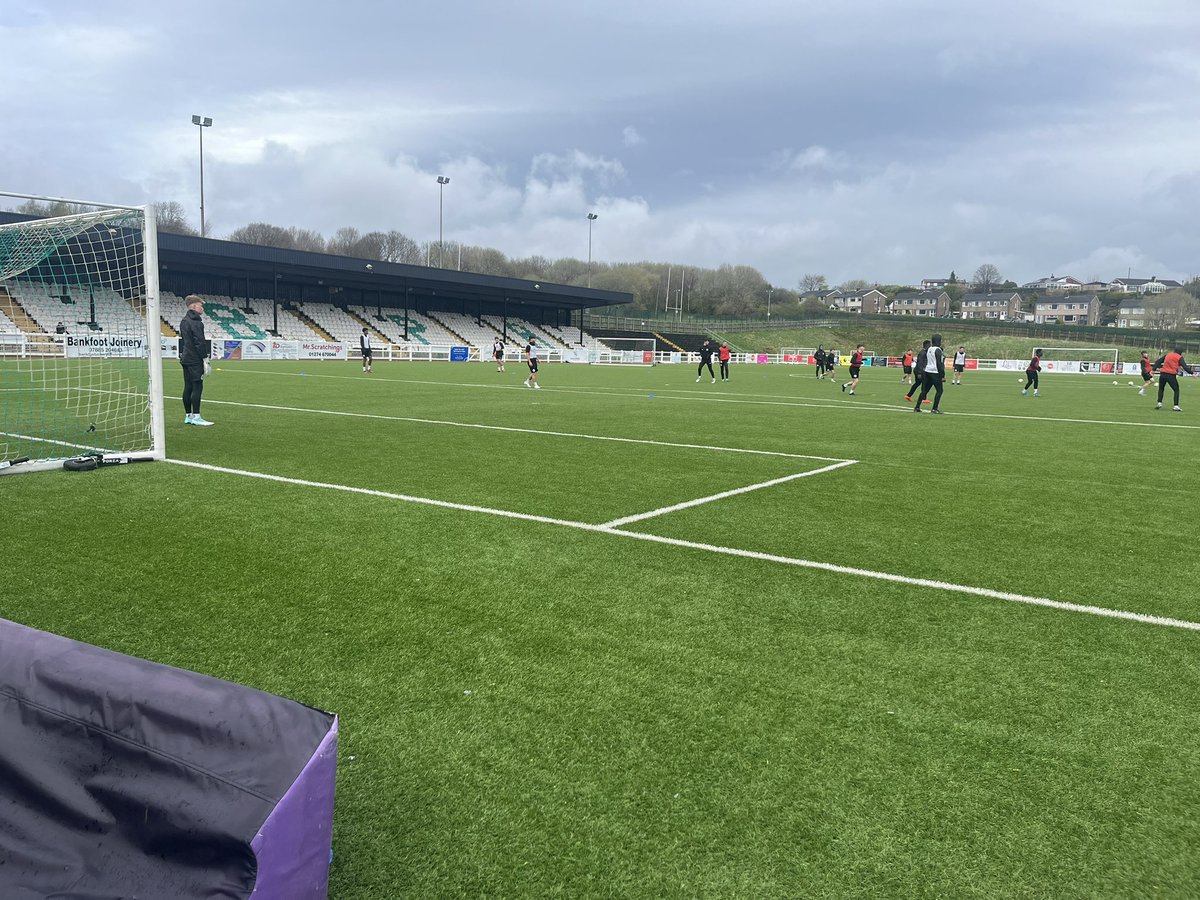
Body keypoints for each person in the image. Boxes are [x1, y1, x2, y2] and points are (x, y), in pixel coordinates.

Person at [179, 295, 213, 426]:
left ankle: (188, 415)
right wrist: (205, 358)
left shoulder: (184, 321)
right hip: (194, 359)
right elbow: (199, 342)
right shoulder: (196, 322)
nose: (202, 307)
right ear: (193, 306)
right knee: (197, 386)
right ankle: (197, 416)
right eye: (200, 305)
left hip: (186, 357)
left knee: (188, 386)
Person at [1154, 346, 1193, 411]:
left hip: (1163, 374)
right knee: (1176, 390)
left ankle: (1159, 403)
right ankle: (1175, 406)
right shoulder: (1179, 357)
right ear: (1180, 352)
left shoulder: (1168, 355)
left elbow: (1158, 361)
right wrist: (1191, 373)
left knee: (1161, 388)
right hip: (1171, 375)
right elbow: (1185, 367)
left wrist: (1154, 369)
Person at [914, 333, 945, 413]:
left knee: (924, 390)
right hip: (935, 372)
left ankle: (917, 407)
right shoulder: (938, 350)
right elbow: (939, 364)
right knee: (939, 391)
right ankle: (934, 408)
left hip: (927, 371)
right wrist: (942, 375)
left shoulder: (929, 349)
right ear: (939, 341)